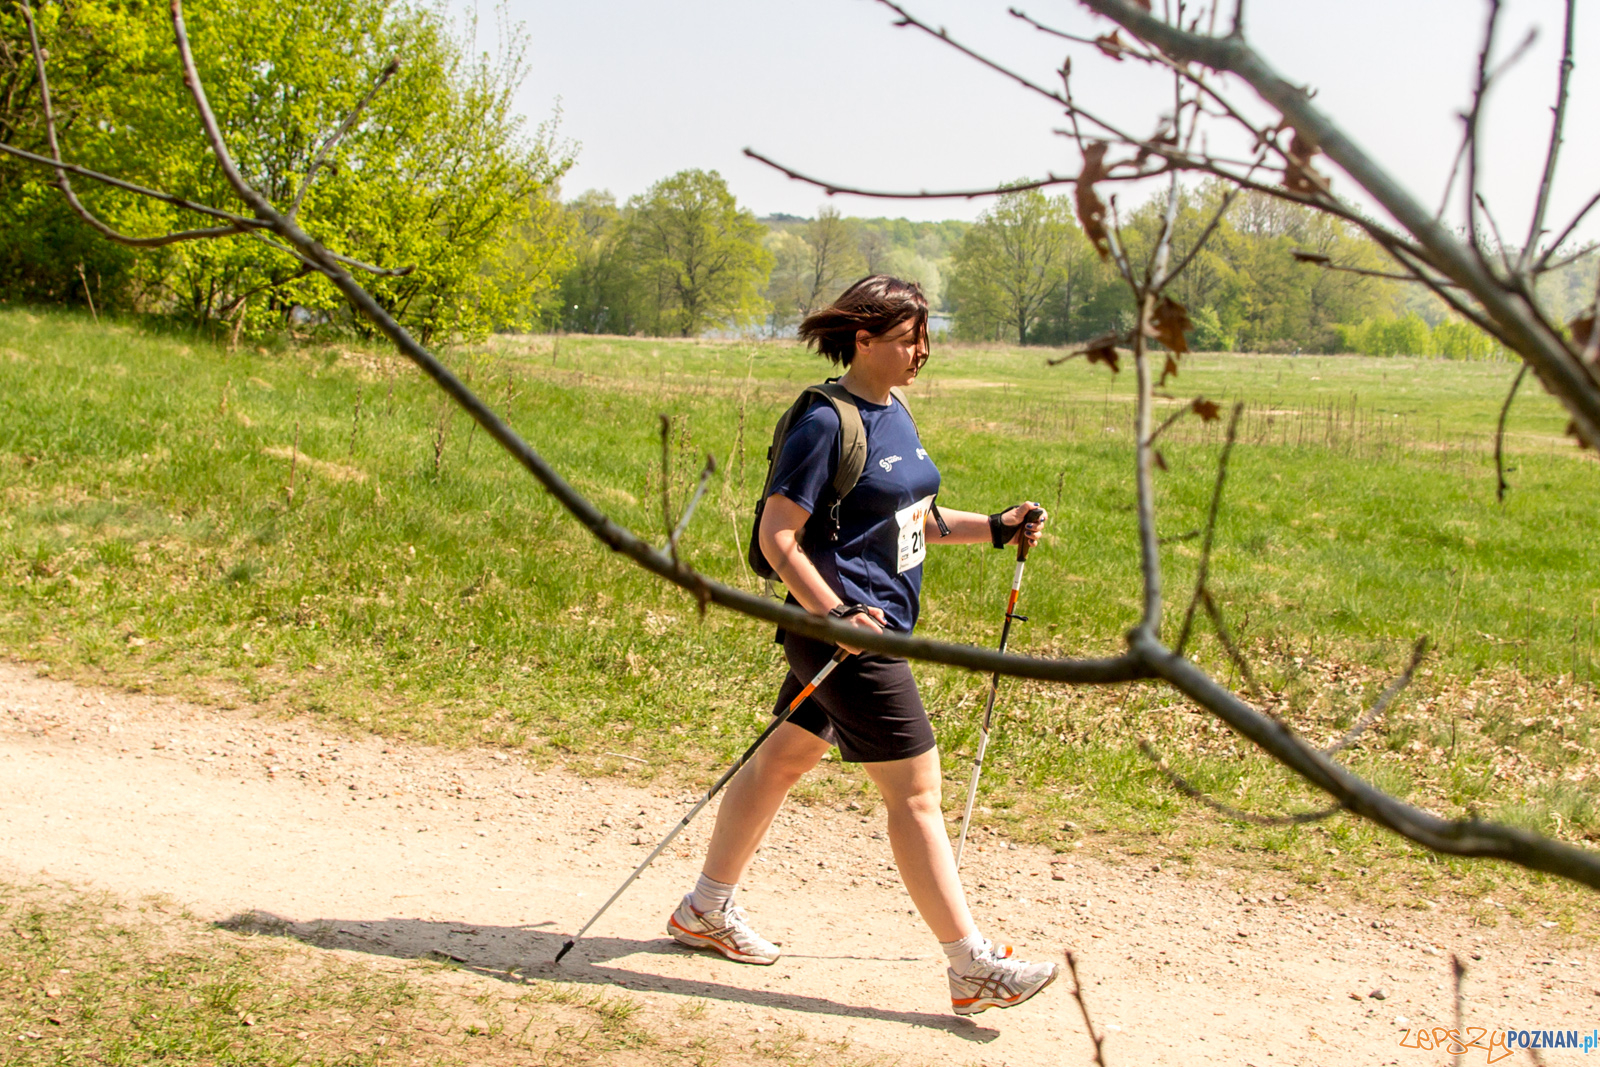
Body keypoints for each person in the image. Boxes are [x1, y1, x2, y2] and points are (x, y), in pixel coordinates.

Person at [666, 275, 1056, 1017]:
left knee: (782, 758)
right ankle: (970, 964)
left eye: (925, 335)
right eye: (910, 337)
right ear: (865, 337)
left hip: (864, 630)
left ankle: (704, 908)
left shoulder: (895, 411)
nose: (923, 350)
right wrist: (838, 612)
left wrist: (995, 526)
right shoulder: (825, 423)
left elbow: (915, 518)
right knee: (914, 792)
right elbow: (776, 537)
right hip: (846, 639)